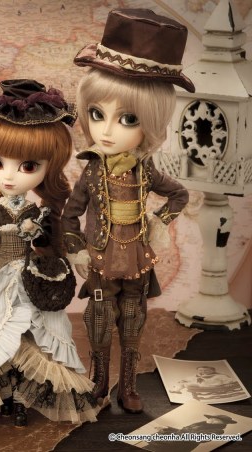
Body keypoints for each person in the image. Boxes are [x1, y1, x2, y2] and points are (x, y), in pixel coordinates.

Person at [62, 8, 194, 414]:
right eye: (96, 114)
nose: (106, 130)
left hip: (136, 262)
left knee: (133, 324)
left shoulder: (146, 170)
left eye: (128, 119)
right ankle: (100, 382)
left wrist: (158, 223)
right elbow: (69, 215)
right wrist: (76, 249)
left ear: (149, 124)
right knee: (100, 322)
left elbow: (179, 196)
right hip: (102, 262)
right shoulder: (92, 169)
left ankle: (130, 386)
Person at [0, 79, 98, 427]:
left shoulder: (39, 211)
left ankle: (22, 395)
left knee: (39, 330)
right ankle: (3, 392)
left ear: (49, 167)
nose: (10, 176)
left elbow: (48, 243)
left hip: (29, 276)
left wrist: (41, 237)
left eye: (28, 166)